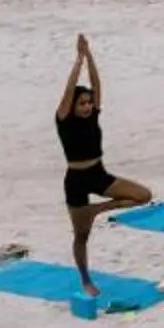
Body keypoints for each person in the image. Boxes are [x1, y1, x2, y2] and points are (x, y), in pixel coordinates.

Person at [55, 34, 149, 292]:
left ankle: (98, 210)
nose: (87, 107)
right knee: (81, 236)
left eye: (88, 103)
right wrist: (78, 60)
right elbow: (69, 90)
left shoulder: (92, 115)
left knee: (143, 196)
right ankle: (86, 279)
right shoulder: (64, 119)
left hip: (98, 174)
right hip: (75, 181)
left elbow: (96, 83)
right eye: (82, 103)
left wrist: (90, 55)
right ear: (72, 106)